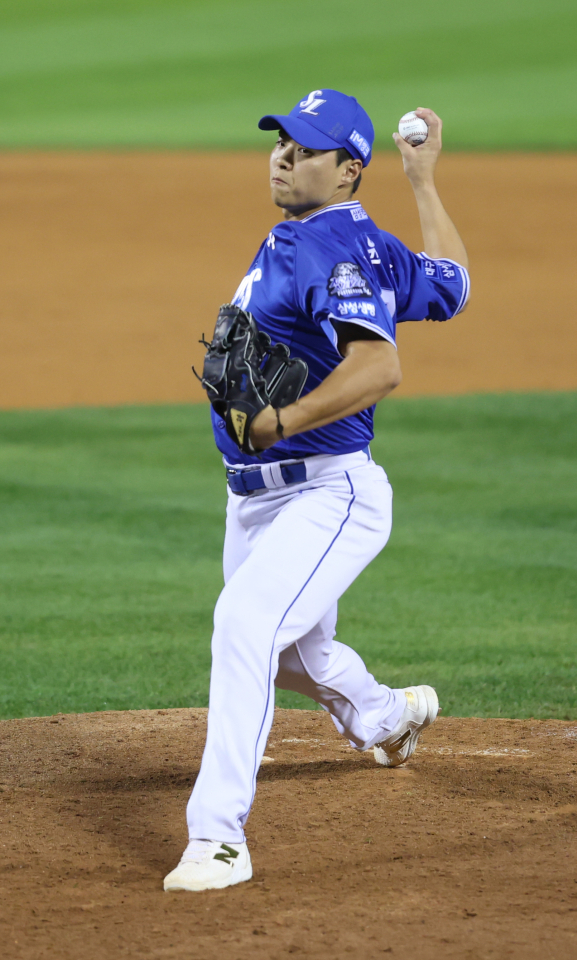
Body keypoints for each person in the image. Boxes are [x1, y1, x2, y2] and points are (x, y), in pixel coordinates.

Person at [164, 90, 469, 892]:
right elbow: (455, 283)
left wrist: (281, 418)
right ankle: (382, 714)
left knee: (244, 625)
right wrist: (425, 182)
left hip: (326, 496)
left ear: (347, 172)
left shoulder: (333, 247)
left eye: (305, 148)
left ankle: (218, 838)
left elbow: (382, 367)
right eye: (282, 142)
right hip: (259, 501)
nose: (284, 155)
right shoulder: (357, 240)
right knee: (295, 654)